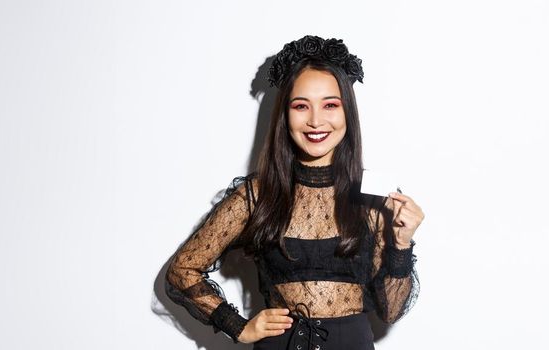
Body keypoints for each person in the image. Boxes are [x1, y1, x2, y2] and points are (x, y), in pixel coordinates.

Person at [164, 35, 425, 350]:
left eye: (330, 105)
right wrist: (237, 326)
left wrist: (400, 243)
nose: (316, 120)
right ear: (285, 115)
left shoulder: (373, 196)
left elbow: (392, 311)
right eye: (301, 106)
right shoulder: (258, 194)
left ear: (347, 114)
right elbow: (183, 270)